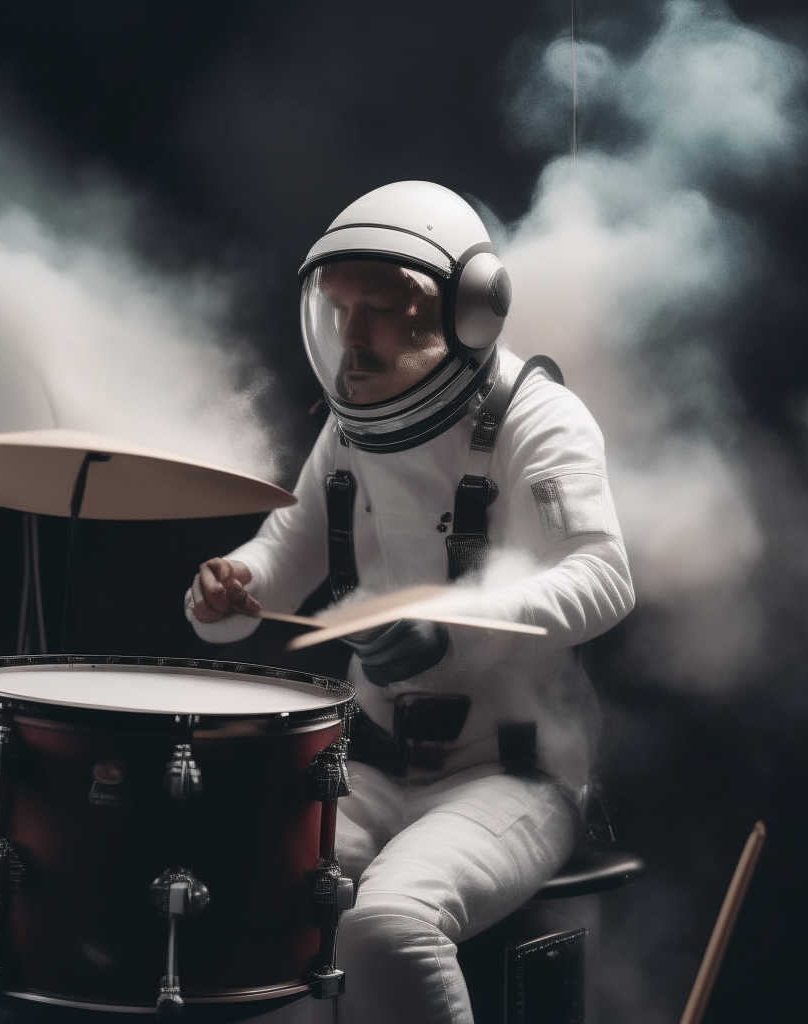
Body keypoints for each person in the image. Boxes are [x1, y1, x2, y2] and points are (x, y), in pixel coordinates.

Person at [185, 181, 634, 1024]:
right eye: (339, 310)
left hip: (514, 773)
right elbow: (283, 559)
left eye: (383, 311)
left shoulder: (540, 419)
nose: (352, 341)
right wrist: (228, 589)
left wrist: (454, 624)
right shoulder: (349, 430)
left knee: (387, 927)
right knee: (247, 895)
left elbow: (605, 575)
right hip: (376, 763)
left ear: (470, 313)